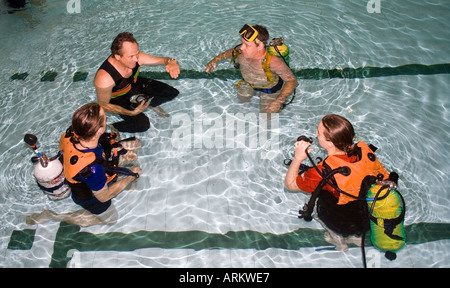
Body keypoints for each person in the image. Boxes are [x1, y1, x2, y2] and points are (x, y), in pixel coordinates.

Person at [284, 114, 390, 251]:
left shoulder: (323, 171)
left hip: (340, 222)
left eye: (319, 132)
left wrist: (298, 158)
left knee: (318, 210)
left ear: (329, 143)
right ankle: (357, 238)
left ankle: (338, 241)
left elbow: (290, 185)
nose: (316, 133)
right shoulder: (365, 151)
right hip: (367, 218)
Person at [26, 103, 142, 227]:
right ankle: (54, 216)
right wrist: (130, 177)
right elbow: (104, 197)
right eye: (104, 117)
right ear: (99, 130)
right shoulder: (93, 170)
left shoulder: (68, 135)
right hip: (90, 197)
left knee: (135, 145)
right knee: (111, 220)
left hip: (79, 173)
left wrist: (117, 152)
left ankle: (123, 181)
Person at [94, 32, 180, 133]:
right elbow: (103, 105)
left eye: (137, 53)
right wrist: (132, 113)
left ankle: (149, 104)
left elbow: (166, 60)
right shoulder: (105, 77)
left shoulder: (137, 57)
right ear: (117, 56)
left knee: (172, 93)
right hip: (120, 99)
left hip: (135, 85)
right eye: (131, 56)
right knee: (143, 125)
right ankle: (114, 126)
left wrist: (172, 62)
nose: (136, 59)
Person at [205, 24, 298, 114]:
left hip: (269, 89)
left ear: (260, 46)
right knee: (242, 99)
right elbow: (231, 52)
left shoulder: (273, 62)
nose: (241, 47)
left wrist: (278, 101)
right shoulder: (241, 52)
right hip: (249, 83)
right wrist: (215, 60)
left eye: (247, 45)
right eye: (242, 43)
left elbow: (292, 81)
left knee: (267, 116)